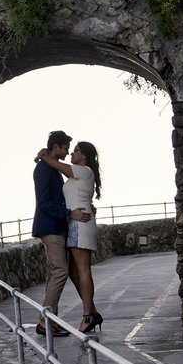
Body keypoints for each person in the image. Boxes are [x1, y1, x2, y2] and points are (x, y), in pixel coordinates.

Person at [42, 141, 105, 333]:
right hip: (76, 223)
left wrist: (45, 156)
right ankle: (92, 311)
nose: (71, 154)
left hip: (80, 224)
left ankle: (88, 315)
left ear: (84, 155)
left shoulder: (83, 170)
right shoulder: (79, 173)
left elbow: (59, 166)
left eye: (75, 151)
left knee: (83, 270)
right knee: (72, 271)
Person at [31, 131, 74, 337]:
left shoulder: (50, 166)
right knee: (60, 272)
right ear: (56, 146)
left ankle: (50, 321)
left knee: (53, 273)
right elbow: (44, 201)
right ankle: (45, 321)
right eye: (65, 148)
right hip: (50, 226)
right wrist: (65, 214)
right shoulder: (43, 169)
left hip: (55, 226)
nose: (67, 152)